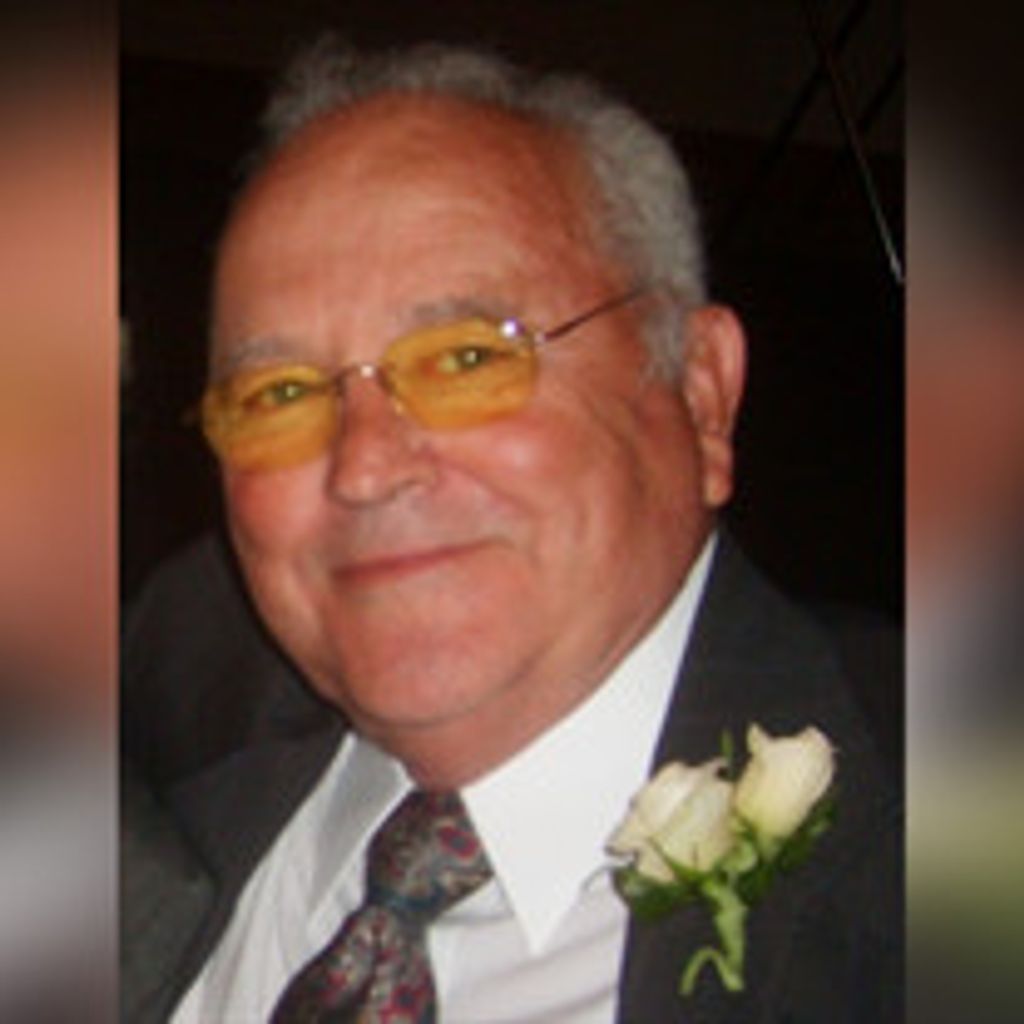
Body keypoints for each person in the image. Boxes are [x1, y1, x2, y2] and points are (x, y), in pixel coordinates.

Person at [124, 37, 901, 1023]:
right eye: (279, 393)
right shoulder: (172, 685)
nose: (365, 466)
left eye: (465, 359)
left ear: (700, 392)